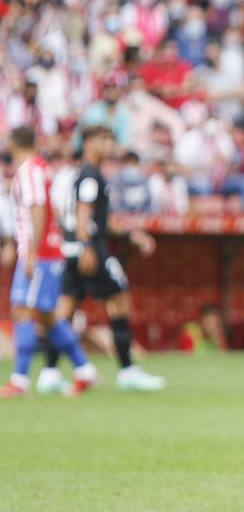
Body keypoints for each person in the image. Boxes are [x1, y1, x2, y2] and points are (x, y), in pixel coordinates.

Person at [53, 126, 162, 392]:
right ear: (88, 143)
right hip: (92, 249)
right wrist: (87, 245)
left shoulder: (84, 174)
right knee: (119, 301)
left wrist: (132, 235)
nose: (109, 144)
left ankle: (49, 372)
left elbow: (103, 219)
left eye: (111, 139)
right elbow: (84, 214)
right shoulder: (90, 175)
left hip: (75, 250)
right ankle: (127, 370)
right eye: (103, 139)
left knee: (63, 313)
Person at [1, 127, 98, 398]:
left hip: (40, 253)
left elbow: (38, 208)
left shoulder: (29, 170)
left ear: (11, 143)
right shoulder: (42, 168)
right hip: (48, 251)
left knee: (21, 310)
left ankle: (19, 380)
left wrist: (31, 252)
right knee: (46, 316)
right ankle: (84, 369)